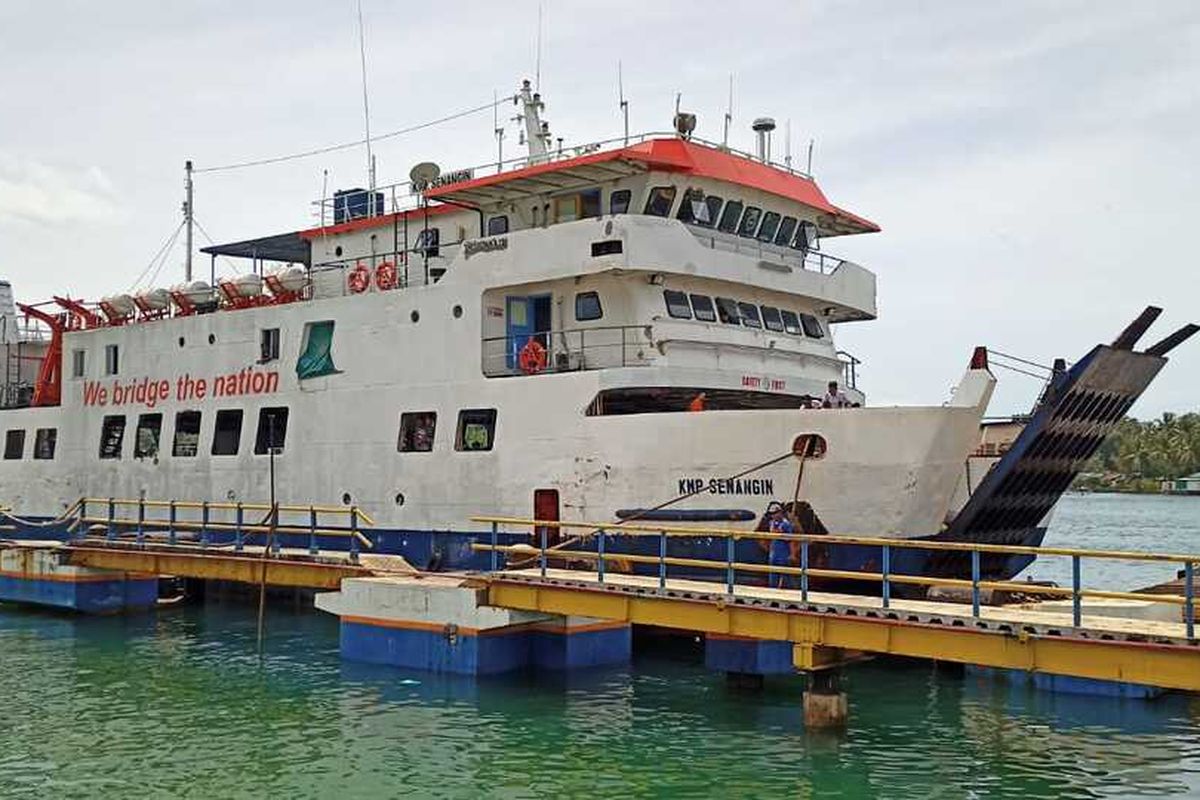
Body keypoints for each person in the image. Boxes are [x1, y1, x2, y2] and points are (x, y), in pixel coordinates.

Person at [766, 502, 796, 589]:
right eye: (772, 514)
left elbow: (790, 540)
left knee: (785, 576)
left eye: (775, 513)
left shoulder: (786, 524)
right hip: (774, 552)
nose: (773, 516)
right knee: (773, 576)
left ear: (780, 513)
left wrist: (792, 554)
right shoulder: (772, 523)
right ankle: (773, 591)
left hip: (783, 553)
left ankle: (787, 592)